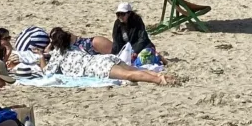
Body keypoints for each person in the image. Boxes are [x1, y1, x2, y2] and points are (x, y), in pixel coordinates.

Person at [41, 44, 172, 84]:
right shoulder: (73, 47)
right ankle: (160, 75)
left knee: (129, 75)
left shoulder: (58, 55)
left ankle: (159, 80)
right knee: (133, 69)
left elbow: (47, 72)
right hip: (103, 59)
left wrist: (41, 58)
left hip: (97, 67)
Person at [49, 26, 114, 55]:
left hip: (94, 44)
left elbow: (47, 50)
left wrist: (51, 43)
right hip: (92, 43)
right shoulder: (64, 49)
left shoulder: (62, 51)